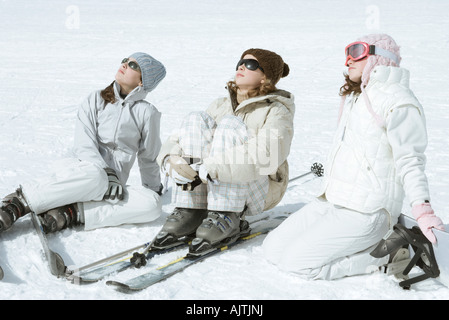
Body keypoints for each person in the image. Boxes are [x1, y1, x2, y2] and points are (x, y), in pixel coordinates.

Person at [262, 34, 445, 280]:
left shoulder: (399, 101)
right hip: (331, 201)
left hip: (367, 211)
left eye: (357, 52)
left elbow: (410, 160)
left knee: (297, 264)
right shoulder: (356, 97)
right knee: (272, 249)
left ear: (380, 58)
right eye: (346, 52)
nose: (348, 59)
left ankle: (390, 255)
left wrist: (423, 210)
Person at [0, 52, 166, 233]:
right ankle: (18, 203)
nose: (125, 64)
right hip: (79, 170)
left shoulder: (147, 113)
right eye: (125, 60)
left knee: (152, 204)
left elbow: (149, 156)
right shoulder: (96, 99)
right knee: (96, 176)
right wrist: (106, 172)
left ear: (142, 82)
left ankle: (70, 212)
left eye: (133, 65)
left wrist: (153, 189)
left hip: (111, 187)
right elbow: (83, 144)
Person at [155, 48, 294, 254]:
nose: (241, 66)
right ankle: (191, 209)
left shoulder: (276, 110)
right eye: (240, 62)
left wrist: (213, 167)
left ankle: (227, 214)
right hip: (211, 180)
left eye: (251, 64)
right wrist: (171, 159)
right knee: (196, 119)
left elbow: (267, 154)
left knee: (230, 125)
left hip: (260, 186)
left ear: (266, 77)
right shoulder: (220, 105)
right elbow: (179, 137)